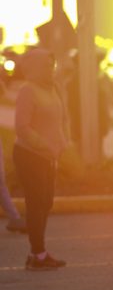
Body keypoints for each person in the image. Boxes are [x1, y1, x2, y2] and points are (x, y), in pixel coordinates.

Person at [14, 48, 68, 270]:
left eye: (52, 65)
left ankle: (38, 252)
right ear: (35, 67)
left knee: (45, 203)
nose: (51, 70)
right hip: (30, 155)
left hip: (48, 157)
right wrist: (44, 145)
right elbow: (22, 127)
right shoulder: (28, 90)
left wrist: (63, 143)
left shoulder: (52, 88)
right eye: (46, 66)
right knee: (36, 205)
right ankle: (38, 253)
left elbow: (58, 120)